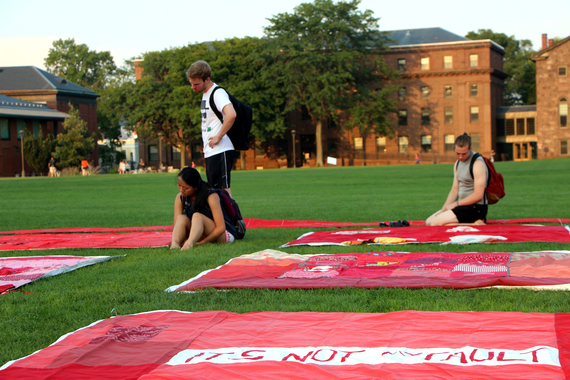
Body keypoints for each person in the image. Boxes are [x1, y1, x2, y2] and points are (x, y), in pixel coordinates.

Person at [186, 60, 236, 198]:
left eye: (196, 84)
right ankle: (222, 218)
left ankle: (234, 219)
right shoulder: (206, 93)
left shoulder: (217, 93)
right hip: (212, 151)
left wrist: (219, 136)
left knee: (223, 190)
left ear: (207, 79)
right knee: (215, 191)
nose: (193, 87)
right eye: (191, 83)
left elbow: (231, 114)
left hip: (222, 149)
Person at [426, 133, 489, 226]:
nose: (460, 157)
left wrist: (456, 204)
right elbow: (455, 190)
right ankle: (472, 223)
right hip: (461, 206)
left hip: (476, 208)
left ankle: (475, 224)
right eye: (457, 153)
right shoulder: (458, 163)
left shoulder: (477, 163)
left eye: (464, 153)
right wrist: (444, 209)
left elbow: (479, 195)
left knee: (435, 223)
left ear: (470, 148)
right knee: (429, 222)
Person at [171, 167, 237, 250]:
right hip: (199, 233)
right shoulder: (180, 197)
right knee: (181, 218)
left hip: (222, 234)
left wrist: (202, 242)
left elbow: (221, 228)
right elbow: (177, 225)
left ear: (195, 187)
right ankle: (174, 245)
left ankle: (189, 244)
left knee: (197, 216)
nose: (181, 189)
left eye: (186, 188)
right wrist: (181, 239)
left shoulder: (211, 196)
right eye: (179, 185)